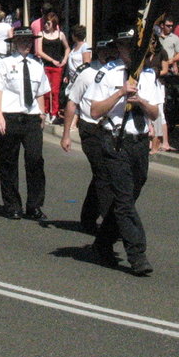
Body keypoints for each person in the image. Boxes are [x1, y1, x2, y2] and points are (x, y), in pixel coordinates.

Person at [83, 34, 162, 276]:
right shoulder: (107, 73)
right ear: (119, 48)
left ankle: (103, 243)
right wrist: (120, 94)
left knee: (126, 199)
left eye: (136, 47)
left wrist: (140, 101)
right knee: (125, 200)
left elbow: (155, 113)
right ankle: (137, 254)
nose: (132, 51)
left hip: (138, 143)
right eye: (127, 47)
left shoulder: (148, 76)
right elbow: (94, 111)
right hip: (114, 141)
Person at [0, 27, 51, 220]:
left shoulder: (37, 64)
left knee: (35, 160)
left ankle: (34, 205)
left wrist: (42, 114)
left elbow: (40, 91)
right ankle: (12, 205)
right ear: (14, 43)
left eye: (29, 41)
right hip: (10, 116)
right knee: (9, 162)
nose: (26, 44)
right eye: (22, 41)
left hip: (31, 117)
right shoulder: (4, 63)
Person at [61, 39, 116, 234]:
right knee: (102, 173)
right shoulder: (87, 74)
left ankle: (88, 217)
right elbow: (72, 103)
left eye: (111, 50)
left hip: (109, 129)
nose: (107, 54)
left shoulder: (116, 73)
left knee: (103, 174)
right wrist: (66, 134)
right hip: (90, 128)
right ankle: (111, 222)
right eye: (103, 50)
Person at [35, 10, 69, 124]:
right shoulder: (41, 34)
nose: (46, 25)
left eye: (48, 23)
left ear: (54, 24)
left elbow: (67, 48)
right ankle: (45, 111)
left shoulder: (60, 34)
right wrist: (51, 60)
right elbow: (39, 51)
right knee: (45, 91)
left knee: (55, 91)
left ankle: (54, 113)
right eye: (45, 22)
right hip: (45, 66)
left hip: (57, 67)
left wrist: (64, 60)